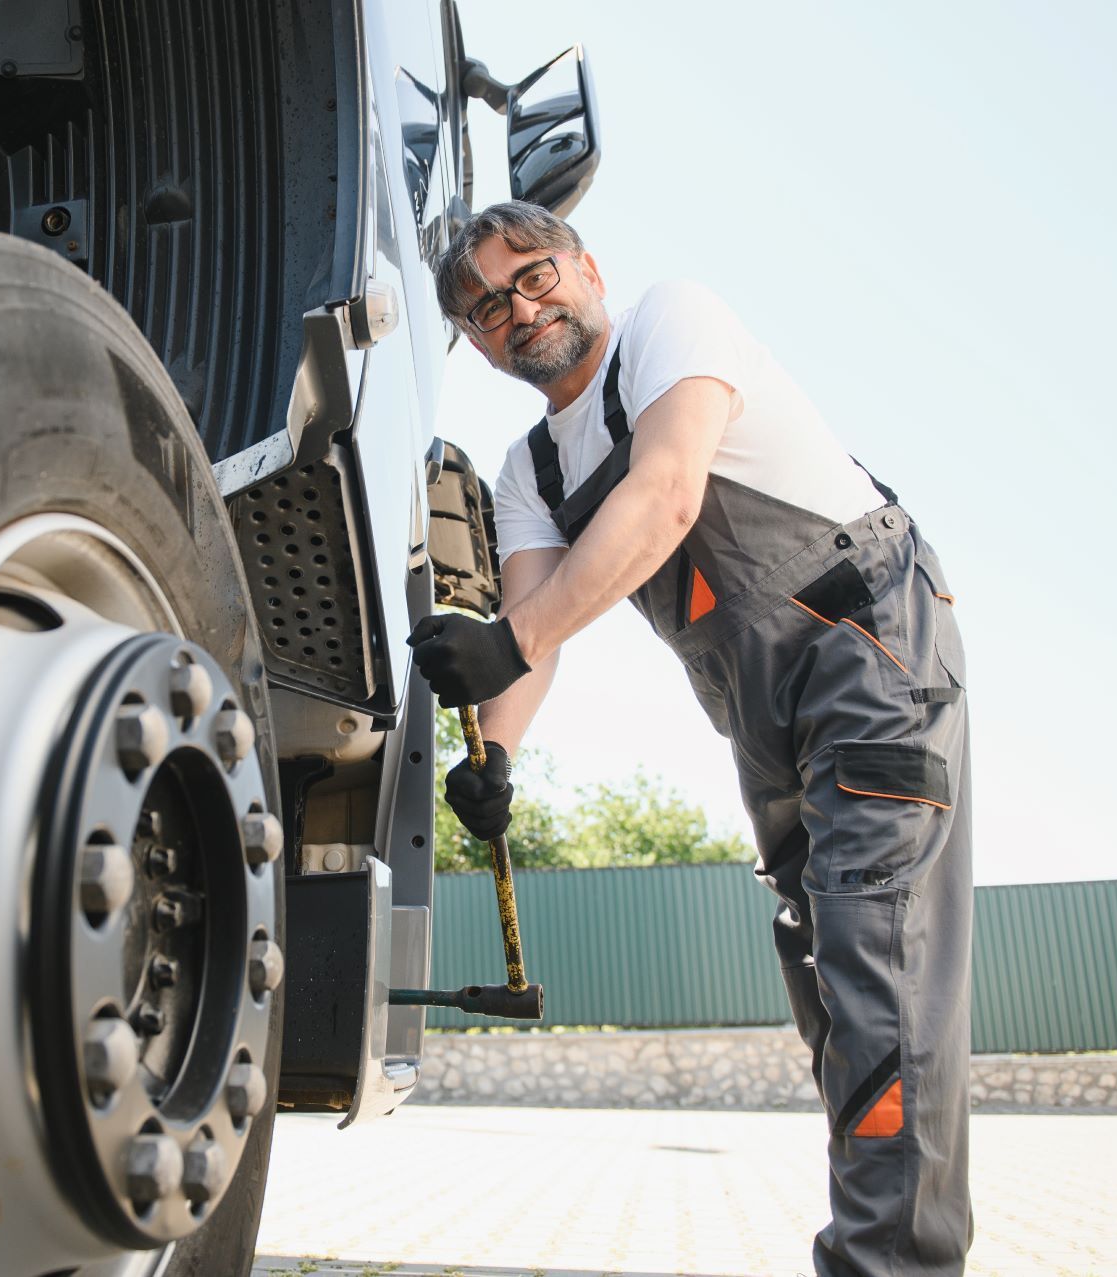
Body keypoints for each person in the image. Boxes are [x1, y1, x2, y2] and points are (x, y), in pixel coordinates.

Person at [408, 201, 973, 1276]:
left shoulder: (673, 322)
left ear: (585, 267)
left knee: (876, 973)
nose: (518, 309)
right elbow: (534, 634)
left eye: (532, 276)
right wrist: (494, 754)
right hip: (760, 712)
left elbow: (666, 496)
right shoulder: (534, 470)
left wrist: (507, 640)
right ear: (477, 345)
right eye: (486, 308)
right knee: (826, 979)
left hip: (867, 651)